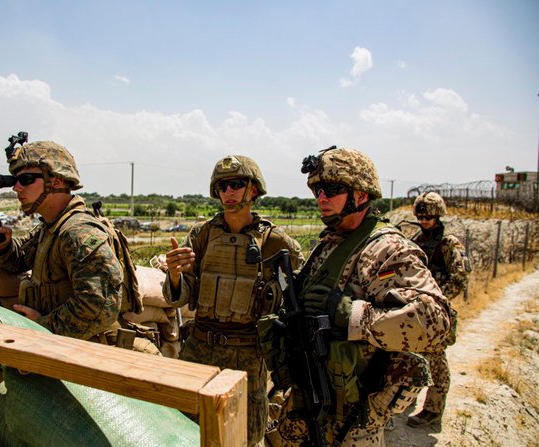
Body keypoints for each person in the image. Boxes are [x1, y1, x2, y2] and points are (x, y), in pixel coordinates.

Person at [274, 146, 452, 446]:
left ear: (362, 195)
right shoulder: (330, 243)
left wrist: (355, 316)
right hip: (307, 399)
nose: (321, 199)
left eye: (332, 189)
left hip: (353, 419)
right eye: (317, 190)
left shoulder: (387, 249)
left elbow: (437, 323)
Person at [162, 155, 304, 446]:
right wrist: (175, 274)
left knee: (244, 437)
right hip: (200, 347)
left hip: (247, 355)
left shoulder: (277, 243)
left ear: (253, 190)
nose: (228, 192)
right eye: (223, 186)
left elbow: (295, 303)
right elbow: (182, 295)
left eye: (236, 184)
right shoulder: (201, 235)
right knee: (182, 429)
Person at [0, 140, 124, 342]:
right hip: (62, 345)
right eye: (16, 180)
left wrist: (41, 327)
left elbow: (98, 306)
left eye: (26, 179)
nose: (16, 188)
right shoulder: (50, 228)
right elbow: (19, 261)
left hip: (89, 350)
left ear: (57, 181)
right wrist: (3, 246)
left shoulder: (78, 233)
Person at [407, 191, 470, 428]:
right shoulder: (416, 240)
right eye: (421, 217)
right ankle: (408, 397)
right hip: (415, 309)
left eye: (429, 218)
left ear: (438, 216)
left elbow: (460, 278)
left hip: (436, 309)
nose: (424, 222)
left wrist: (436, 296)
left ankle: (433, 411)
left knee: (435, 359)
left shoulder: (449, 243)